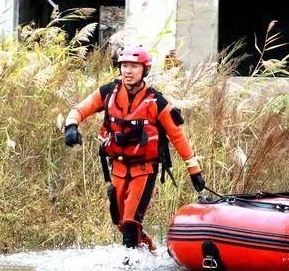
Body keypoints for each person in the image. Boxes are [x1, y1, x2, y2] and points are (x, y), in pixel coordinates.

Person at [64, 45, 205, 251]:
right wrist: (71, 126)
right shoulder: (108, 92)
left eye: (133, 66)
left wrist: (194, 171)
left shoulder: (157, 101)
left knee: (131, 221)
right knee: (120, 222)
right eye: (124, 66)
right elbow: (80, 109)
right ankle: (150, 251)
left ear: (144, 70)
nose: (127, 71)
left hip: (144, 169)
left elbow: (177, 136)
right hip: (118, 168)